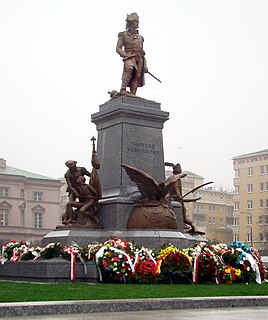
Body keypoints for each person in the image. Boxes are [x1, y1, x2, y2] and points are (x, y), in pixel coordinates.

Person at [116, 12, 148, 95]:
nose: (137, 24)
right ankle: (123, 89)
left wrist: (145, 65)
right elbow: (118, 48)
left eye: (138, 22)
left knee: (137, 76)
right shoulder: (123, 35)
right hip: (129, 56)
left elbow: (142, 52)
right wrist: (125, 55)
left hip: (139, 58)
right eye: (135, 22)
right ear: (131, 23)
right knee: (129, 68)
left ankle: (133, 93)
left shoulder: (140, 38)